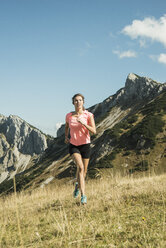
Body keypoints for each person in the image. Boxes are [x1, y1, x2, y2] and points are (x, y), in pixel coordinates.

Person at [65, 93, 96, 205]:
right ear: (73, 103)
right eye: (76, 100)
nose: (78, 102)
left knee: (84, 172)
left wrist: (84, 124)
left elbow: (94, 131)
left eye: (80, 100)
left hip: (85, 145)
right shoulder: (69, 115)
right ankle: (83, 196)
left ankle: (77, 185)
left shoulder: (88, 115)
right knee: (81, 168)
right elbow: (67, 126)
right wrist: (66, 136)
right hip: (74, 145)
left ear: (83, 102)